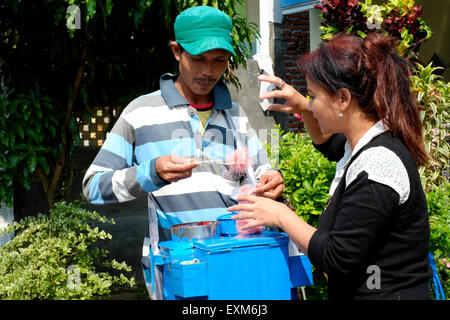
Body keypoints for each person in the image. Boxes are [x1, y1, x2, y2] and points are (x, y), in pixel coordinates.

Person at [82, 6, 284, 299]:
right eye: (198, 59)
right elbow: (93, 187)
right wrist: (151, 173)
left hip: (239, 265)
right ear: (177, 51)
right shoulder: (140, 113)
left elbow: (262, 171)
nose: (208, 71)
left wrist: (272, 179)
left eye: (219, 60)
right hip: (180, 272)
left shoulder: (236, 115)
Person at [228, 32, 432, 300]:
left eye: (313, 96)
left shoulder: (379, 163)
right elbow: (327, 144)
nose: (310, 104)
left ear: (343, 99)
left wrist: (280, 215)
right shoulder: (362, 143)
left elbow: (338, 257)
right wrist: (302, 105)